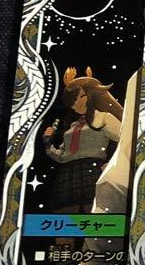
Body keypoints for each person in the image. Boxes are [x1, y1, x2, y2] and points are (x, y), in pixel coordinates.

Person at [43, 67, 123, 214]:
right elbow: (62, 156)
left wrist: (112, 164)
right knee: (64, 217)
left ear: (91, 95)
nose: (75, 103)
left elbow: (126, 140)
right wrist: (48, 143)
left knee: (93, 214)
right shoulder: (73, 126)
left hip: (92, 170)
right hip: (68, 172)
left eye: (80, 97)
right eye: (72, 100)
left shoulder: (103, 118)